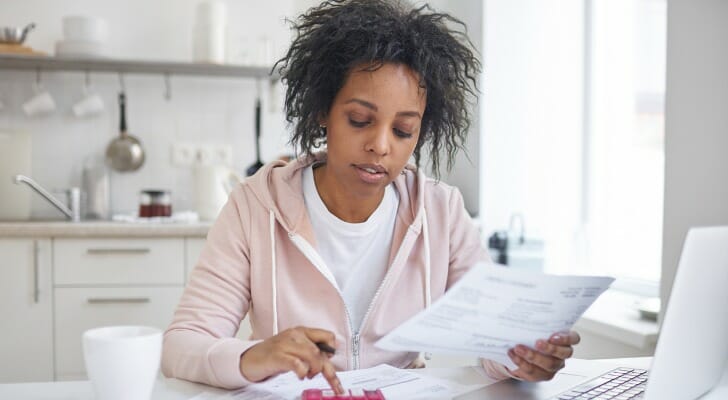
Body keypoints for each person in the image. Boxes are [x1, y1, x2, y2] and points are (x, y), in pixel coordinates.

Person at [161, 0, 581, 394]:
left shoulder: (441, 212)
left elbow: (494, 340)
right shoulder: (255, 206)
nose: (381, 145)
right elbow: (181, 345)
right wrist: (255, 356)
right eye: (360, 120)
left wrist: (523, 357)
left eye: (403, 131)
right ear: (323, 111)